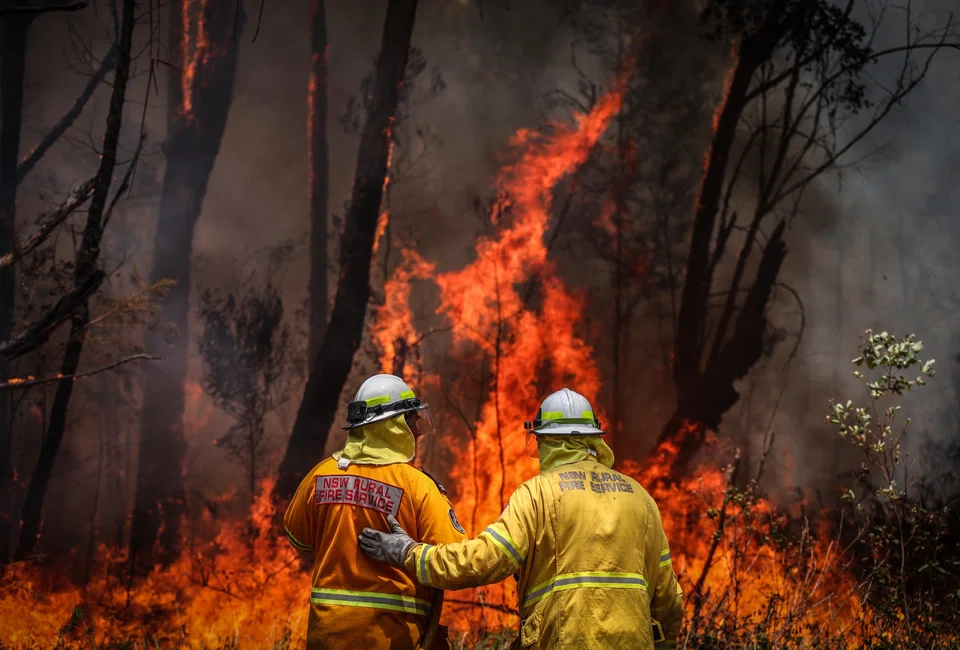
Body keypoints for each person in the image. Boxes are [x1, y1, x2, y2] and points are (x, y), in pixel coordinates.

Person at [359, 387, 684, 650]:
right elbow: (668, 598)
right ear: (593, 439)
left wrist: (409, 552)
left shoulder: (538, 494)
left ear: (544, 440)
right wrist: (665, 643)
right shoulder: (640, 498)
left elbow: (483, 561)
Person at [284, 373, 467, 650]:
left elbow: (299, 539)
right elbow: (455, 560)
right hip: (393, 638)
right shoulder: (418, 486)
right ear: (396, 426)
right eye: (411, 422)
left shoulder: (318, 476)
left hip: (327, 637)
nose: (417, 433)